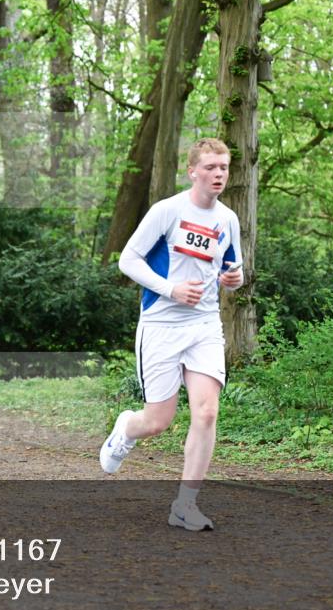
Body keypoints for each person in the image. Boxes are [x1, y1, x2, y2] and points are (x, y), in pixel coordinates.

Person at [100, 138, 244, 531]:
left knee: (207, 410)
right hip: (161, 325)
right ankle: (127, 428)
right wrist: (171, 288)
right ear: (193, 171)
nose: (219, 174)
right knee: (157, 422)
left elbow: (235, 272)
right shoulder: (167, 211)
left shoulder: (228, 219)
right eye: (211, 167)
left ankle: (185, 504)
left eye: (224, 167)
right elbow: (128, 260)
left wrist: (234, 278)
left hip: (203, 325)